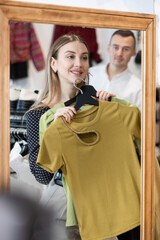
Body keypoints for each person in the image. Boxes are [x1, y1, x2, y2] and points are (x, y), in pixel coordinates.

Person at [26, 34, 114, 239]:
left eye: (84, 57)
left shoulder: (96, 106)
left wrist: (109, 114)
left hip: (100, 205)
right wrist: (55, 130)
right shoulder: (37, 114)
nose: (79, 63)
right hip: (62, 211)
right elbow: (42, 175)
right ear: (53, 63)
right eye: (70, 56)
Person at [89, 30, 142, 110]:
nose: (119, 53)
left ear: (134, 52)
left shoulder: (138, 88)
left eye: (126, 49)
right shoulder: (89, 74)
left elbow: (138, 121)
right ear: (108, 48)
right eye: (115, 47)